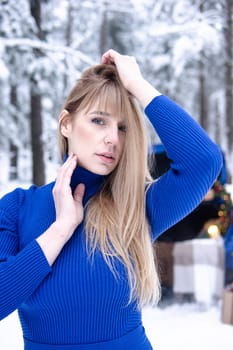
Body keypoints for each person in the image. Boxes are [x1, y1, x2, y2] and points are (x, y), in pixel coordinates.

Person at [0, 49, 222, 350]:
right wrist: (61, 229)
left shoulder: (137, 206)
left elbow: (204, 161)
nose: (113, 139)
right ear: (66, 124)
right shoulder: (17, 209)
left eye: (122, 127)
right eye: (99, 121)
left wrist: (137, 85)